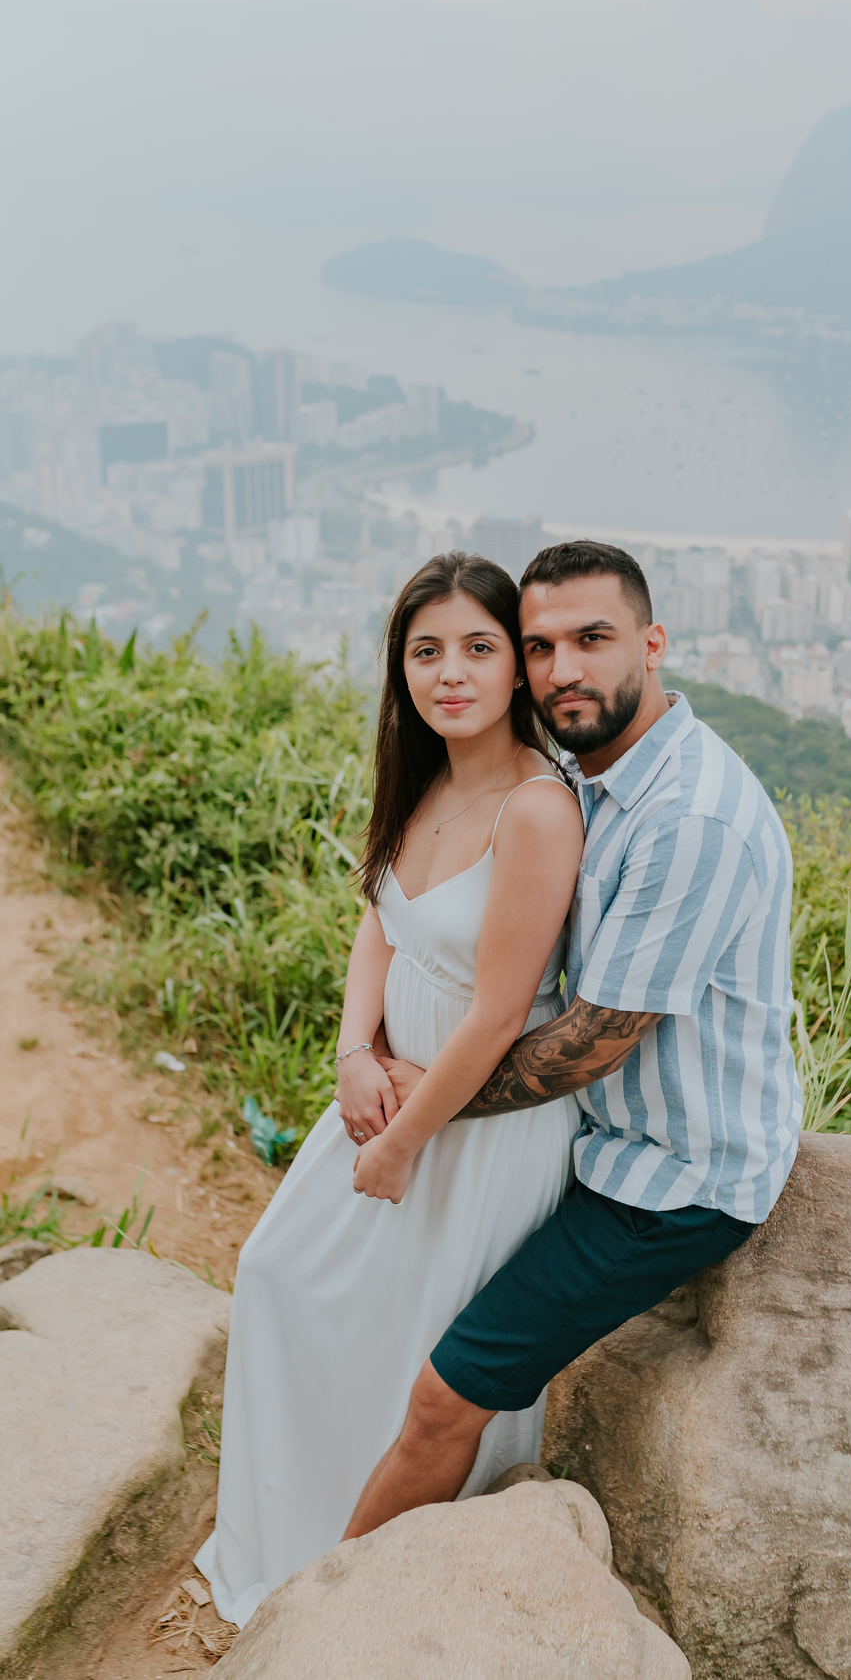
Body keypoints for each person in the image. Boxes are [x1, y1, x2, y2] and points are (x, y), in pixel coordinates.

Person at [343, 539, 801, 1536]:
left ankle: (325, 1612)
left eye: (591, 639)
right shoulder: (595, 776)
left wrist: (421, 1103)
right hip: (591, 1139)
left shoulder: (690, 819)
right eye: (540, 646)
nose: (562, 670)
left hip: (671, 1183)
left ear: (652, 641)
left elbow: (591, 1040)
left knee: (444, 1396)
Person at [196, 551, 585, 1627]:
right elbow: (379, 918)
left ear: (518, 667)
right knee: (280, 1274)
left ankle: (362, 1587)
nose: (449, 673)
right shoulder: (428, 775)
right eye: (425, 651)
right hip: (385, 1091)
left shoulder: (536, 811)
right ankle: (281, 1547)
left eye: (476, 648)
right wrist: (351, 1053)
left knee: (404, 1340)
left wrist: (410, 1136)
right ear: (398, 667)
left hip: (474, 1123)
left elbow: (502, 1012)